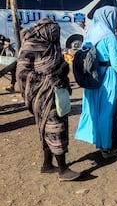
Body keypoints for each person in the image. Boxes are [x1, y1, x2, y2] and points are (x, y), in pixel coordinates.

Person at [16, 18, 80, 181]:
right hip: (42, 95)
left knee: (48, 129)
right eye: (53, 32)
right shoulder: (31, 44)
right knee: (54, 129)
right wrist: (46, 80)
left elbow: (58, 65)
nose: (56, 35)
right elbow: (22, 72)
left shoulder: (52, 44)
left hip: (57, 93)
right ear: (45, 30)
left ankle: (47, 165)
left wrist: (63, 67)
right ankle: (63, 169)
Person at [74, 6, 117, 159]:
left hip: (91, 76)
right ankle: (106, 148)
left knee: (94, 110)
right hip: (107, 76)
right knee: (107, 112)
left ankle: (100, 140)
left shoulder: (90, 32)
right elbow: (116, 63)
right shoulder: (109, 36)